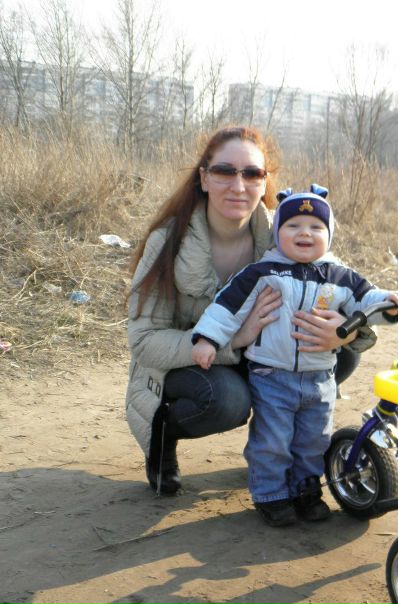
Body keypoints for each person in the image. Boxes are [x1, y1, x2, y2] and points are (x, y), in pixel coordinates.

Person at [126, 126, 375, 496]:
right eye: (224, 171)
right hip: (186, 361)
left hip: (261, 354)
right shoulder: (169, 240)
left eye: (252, 173)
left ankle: (277, 449)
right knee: (227, 401)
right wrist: (233, 340)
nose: (238, 185)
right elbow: (144, 341)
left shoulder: (287, 230)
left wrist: (345, 329)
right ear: (204, 178)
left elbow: (344, 285)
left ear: (265, 181)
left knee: (342, 355)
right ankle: (164, 432)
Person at [191, 185, 398, 526]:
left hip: (320, 378)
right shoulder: (264, 272)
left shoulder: (340, 276)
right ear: (278, 232)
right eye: (293, 225)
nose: (304, 233)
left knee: (314, 441)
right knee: (273, 440)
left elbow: (368, 299)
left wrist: (391, 304)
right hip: (271, 376)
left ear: (329, 234)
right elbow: (228, 306)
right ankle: (271, 495)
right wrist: (208, 338)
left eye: (315, 227)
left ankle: (306, 491)